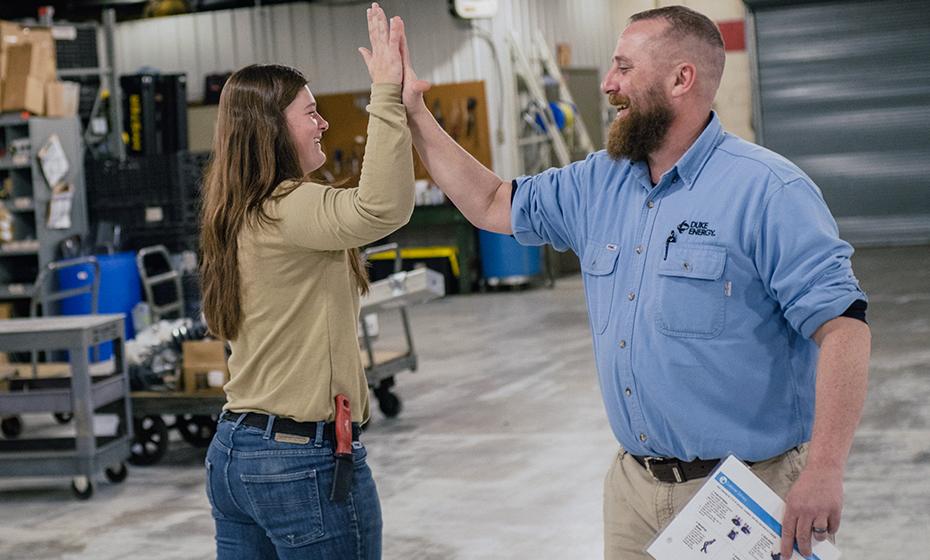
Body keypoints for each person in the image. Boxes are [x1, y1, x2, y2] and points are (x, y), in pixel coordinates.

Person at [393, 5, 870, 560]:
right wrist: (414, 114)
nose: (607, 83)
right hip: (634, 493)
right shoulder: (599, 180)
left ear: (680, 78)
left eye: (624, 67)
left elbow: (843, 330)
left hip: (749, 494)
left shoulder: (769, 191)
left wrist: (825, 470)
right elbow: (493, 201)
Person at [199, 4, 413, 558]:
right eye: (310, 112)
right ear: (272, 129)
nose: (322, 123)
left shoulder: (235, 211)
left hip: (235, 454)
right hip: (299, 463)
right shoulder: (289, 208)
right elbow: (382, 207)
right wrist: (386, 95)